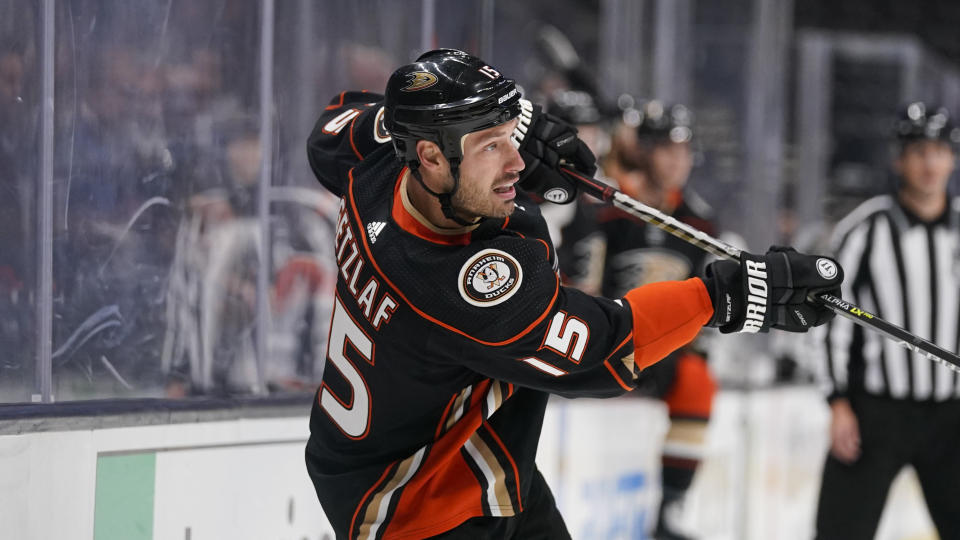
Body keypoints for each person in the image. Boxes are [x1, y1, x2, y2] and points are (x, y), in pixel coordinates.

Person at [304, 48, 842, 539]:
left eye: (512, 137)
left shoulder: (376, 168)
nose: (516, 162)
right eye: (493, 146)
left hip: (459, 455)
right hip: (421, 507)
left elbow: (331, 126)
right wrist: (724, 296)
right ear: (431, 157)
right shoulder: (456, 284)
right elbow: (604, 347)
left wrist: (516, 128)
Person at [815, 101, 960, 540]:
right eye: (918, 150)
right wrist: (837, 402)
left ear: (952, 157)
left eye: (938, 150)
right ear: (899, 159)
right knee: (840, 531)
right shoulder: (866, 230)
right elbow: (828, 317)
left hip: (953, 417)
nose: (929, 162)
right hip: (876, 413)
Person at [595, 100, 721, 540]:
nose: (677, 161)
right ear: (644, 150)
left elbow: (711, 295)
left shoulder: (699, 220)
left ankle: (670, 509)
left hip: (664, 347)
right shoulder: (608, 206)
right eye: (668, 149)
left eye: (684, 151)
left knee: (699, 380)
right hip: (606, 337)